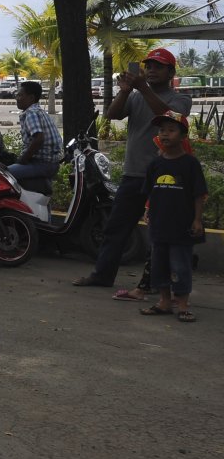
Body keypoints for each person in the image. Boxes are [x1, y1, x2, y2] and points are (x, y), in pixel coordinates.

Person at [73, 48, 192, 289]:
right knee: (116, 227)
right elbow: (113, 114)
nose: (151, 70)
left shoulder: (180, 99)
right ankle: (102, 275)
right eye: (148, 66)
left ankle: (154, 284)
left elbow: (169, 116)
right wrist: (125, 91)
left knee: (160, 232)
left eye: (158, 66)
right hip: (134, 173)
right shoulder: (136, 95)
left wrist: (142, 88)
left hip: (164, 176)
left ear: (171, 72)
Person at [138, 111, 206, 322]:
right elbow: (149, 192)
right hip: (159, 226)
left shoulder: (190, 164)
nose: (165, 134)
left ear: (183, 135)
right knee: (160, 266)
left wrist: (197, 220)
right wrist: (147, 211)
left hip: (182, 227)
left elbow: (198, 194)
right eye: (162, 130)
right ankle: (164, 302)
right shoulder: (155, 165)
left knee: (180, 266)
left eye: (171, 130)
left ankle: (183, 305)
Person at [7, 80, 63, 182]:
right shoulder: (39, 111)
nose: (17, 99)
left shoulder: (31, 113)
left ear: (31, 98)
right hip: (51, 163)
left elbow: (39, 139)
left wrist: (23, 160)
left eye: (20, 95)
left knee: (4, 175)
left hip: (42, 164)